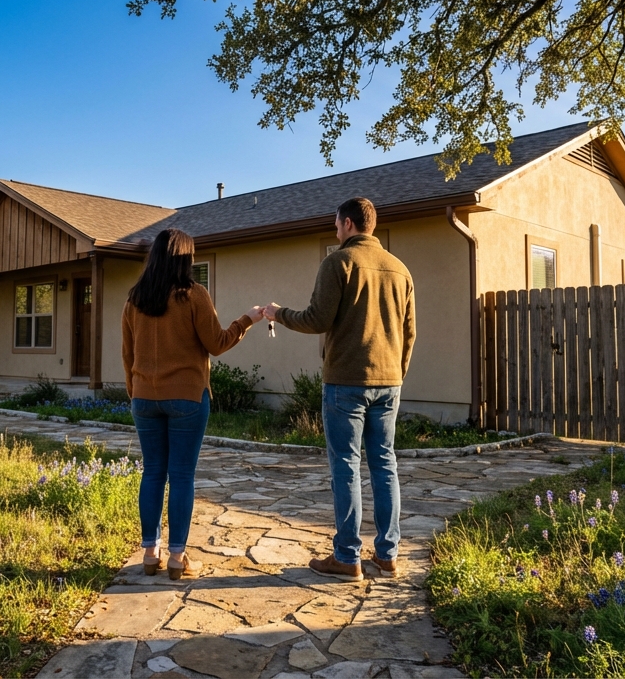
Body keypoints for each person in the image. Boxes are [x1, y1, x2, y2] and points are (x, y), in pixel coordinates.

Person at [263, 197, 415, 582]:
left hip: (346, 382)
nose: (335, 230)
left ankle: (347, 557)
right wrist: (397, 372)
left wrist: (277, 313)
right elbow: (410, 333)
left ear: (348, 224)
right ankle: (387, 555)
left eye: (336, 224)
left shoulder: (338, 263)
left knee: (345, 466)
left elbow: (317, 319)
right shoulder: (401, 270)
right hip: (389, 381)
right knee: (385, 463)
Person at [123, 228, 266, 580]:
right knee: (182, 475)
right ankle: (176, 558)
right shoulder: (193, 295)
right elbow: (216, 343)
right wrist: (248, 319)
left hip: (144, 398)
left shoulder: (134, 299)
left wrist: (136, 391)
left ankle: (149, 553)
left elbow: (127, 354)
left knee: (153, 472)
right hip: (187, 396)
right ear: (185, 258)